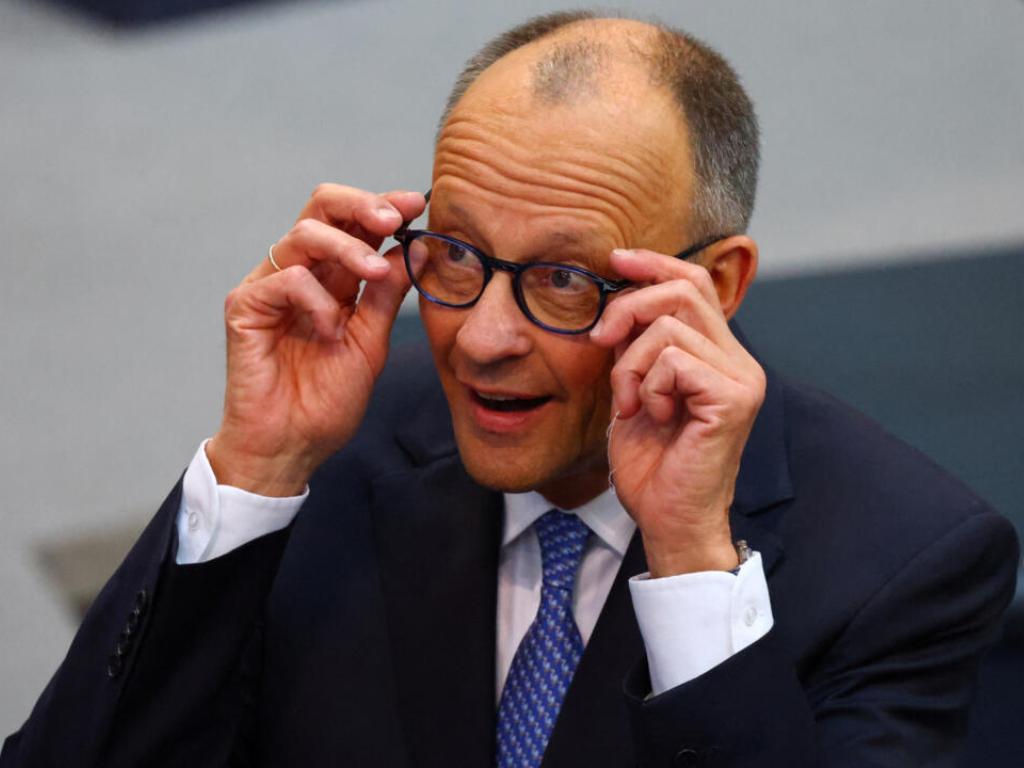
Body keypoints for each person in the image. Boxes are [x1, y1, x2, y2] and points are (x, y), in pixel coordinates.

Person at [2, 10, 1018, 768]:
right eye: (453, 253)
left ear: (712, 286)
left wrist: (692, 566)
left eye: (565, 279)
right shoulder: (342, 443)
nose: (481, 339)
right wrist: (254, 469)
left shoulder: (904, 562)